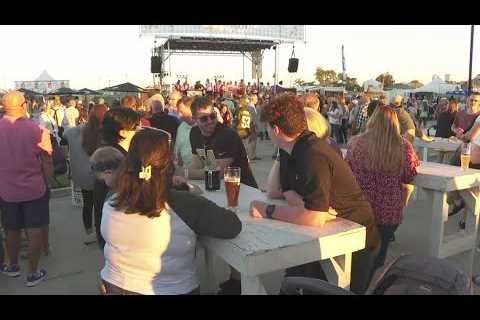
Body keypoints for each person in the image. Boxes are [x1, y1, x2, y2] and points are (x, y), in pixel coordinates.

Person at [255, 93, 380, 294]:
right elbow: (283, 190)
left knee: (324, 287)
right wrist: (303, 205)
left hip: (354, 235)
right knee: (293, 282)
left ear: (276, 129)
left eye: (267, 128)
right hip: (324, 230)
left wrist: (267, 210)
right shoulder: (290, 148)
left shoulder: (313, 153)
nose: (267, 132)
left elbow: (314, 217)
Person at [96, 128, 242, 295]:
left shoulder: (112, 198)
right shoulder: (186, 204)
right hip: (171, 289)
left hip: (114, 284)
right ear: (169, 162)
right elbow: (232, 226)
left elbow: (145, 190)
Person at [346, 105, 420, 270]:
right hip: (388, 213)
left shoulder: (355, 143)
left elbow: (347, 171)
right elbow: (410, 175)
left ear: (372, 121)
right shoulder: (404, 146)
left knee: (356, 258)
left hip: (360, 210)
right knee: (378, 258)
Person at [0, 91, 52, 286]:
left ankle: (12, 266)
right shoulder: (38, 130)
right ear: (24, 105)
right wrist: (48, 186)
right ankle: (33, 273)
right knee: (35, 229)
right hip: (34, 189)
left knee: (11, 228)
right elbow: (47, 161)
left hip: (6, 190)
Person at [92, 108, 140, 250]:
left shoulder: (111, 152)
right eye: (136, 126)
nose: (139, 129)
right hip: (117, 231)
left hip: (109, 227)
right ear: (123, 132)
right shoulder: (115, 158)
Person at [187, 96, 258, 188]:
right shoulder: (194, 133)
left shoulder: (228, 135)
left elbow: (217, 173)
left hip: (242, 188)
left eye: (212, 116)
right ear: (194, 119)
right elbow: (197, 165)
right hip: (216, 187)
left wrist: (184, 172)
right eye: (204, 119)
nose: (210, 121)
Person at [63, 104, 108, 244]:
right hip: (101, 175)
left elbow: (64, 135)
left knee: (88, 204)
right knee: (101, 205)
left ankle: (89, 232)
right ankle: (101, 233)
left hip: (83, 175)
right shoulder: (105, 133)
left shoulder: (75, 131)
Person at [174, 96, 195, 170]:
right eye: (178, 112)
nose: (179, 115)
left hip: (201, 174)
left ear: (191, 109)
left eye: (181, 112)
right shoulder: (181, 127)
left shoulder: (203, 126)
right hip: (185, 173)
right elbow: (178, 152)